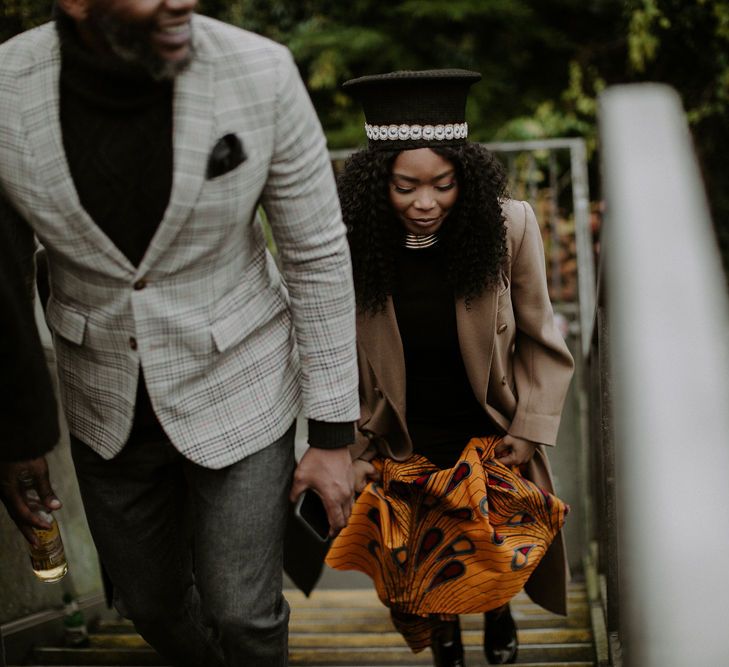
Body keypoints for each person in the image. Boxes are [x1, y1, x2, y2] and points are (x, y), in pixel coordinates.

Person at [0, 1, 359, 665]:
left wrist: (334, 434)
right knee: (151, 604)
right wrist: (17, 432)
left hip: (242, 377)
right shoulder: (4, 89)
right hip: (101, 396)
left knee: (243, 613)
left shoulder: (262, 71)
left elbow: (317, 253)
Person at [325, 70, 575, 667]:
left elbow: (540, 337)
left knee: (487, 540)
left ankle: (496, 607)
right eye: (405, 187)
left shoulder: (509, 227)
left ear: (466, 177)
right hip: (401, 430)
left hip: (487, 424)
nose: (426, 202)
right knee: (422, 551)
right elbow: (328, 352)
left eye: (443, 184)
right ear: (374, 186)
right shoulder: (347, 243)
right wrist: (351, 446)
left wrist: (528, 427)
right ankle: (444, 635)